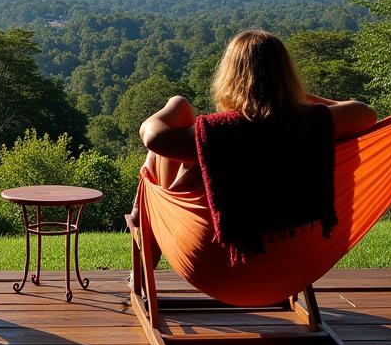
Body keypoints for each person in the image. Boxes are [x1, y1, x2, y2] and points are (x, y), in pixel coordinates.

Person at [132, 28, 376, 228]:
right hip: (294, 253)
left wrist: (177, 104)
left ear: (230, 79)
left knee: (155, 157)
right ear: (287, 76)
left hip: (217, 257)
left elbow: (151, 135)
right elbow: (365, 113)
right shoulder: (310, 123)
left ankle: (141, 226)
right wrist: (295, 97)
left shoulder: (216, 134)